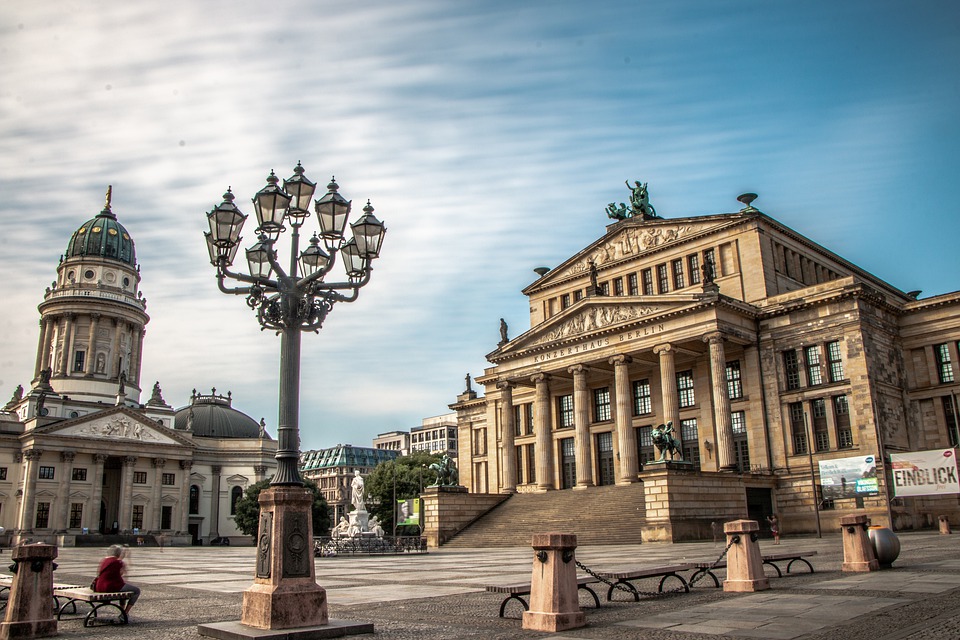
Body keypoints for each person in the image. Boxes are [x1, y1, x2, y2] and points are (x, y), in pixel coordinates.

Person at [94, 545, 140, 616]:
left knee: (124, 590)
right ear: (118, 553)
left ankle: (122, 610)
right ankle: (125, 612)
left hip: (99, 586)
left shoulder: (104, 560)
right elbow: (121, 573)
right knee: (137, 591)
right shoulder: (118, 562)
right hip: (110, 587)